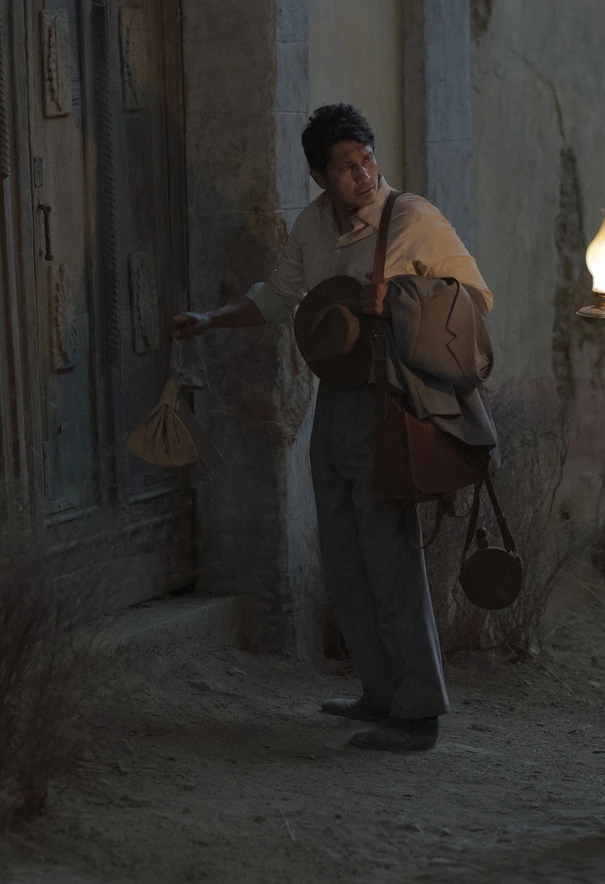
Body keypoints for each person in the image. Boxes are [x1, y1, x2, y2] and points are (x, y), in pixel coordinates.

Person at [173, 104, 492, 752]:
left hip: (390, 401)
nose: (362, 174)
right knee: (343, 558)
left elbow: (475, 297)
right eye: (345, 166)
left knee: (389, 555)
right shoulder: (313, 226)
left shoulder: (412, 218)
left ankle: (419, 710)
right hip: (335, 402)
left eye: (367, 158)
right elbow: (277, 296)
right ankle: (380, 690)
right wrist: (211, 319)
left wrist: (401, 301)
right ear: (320, 175)